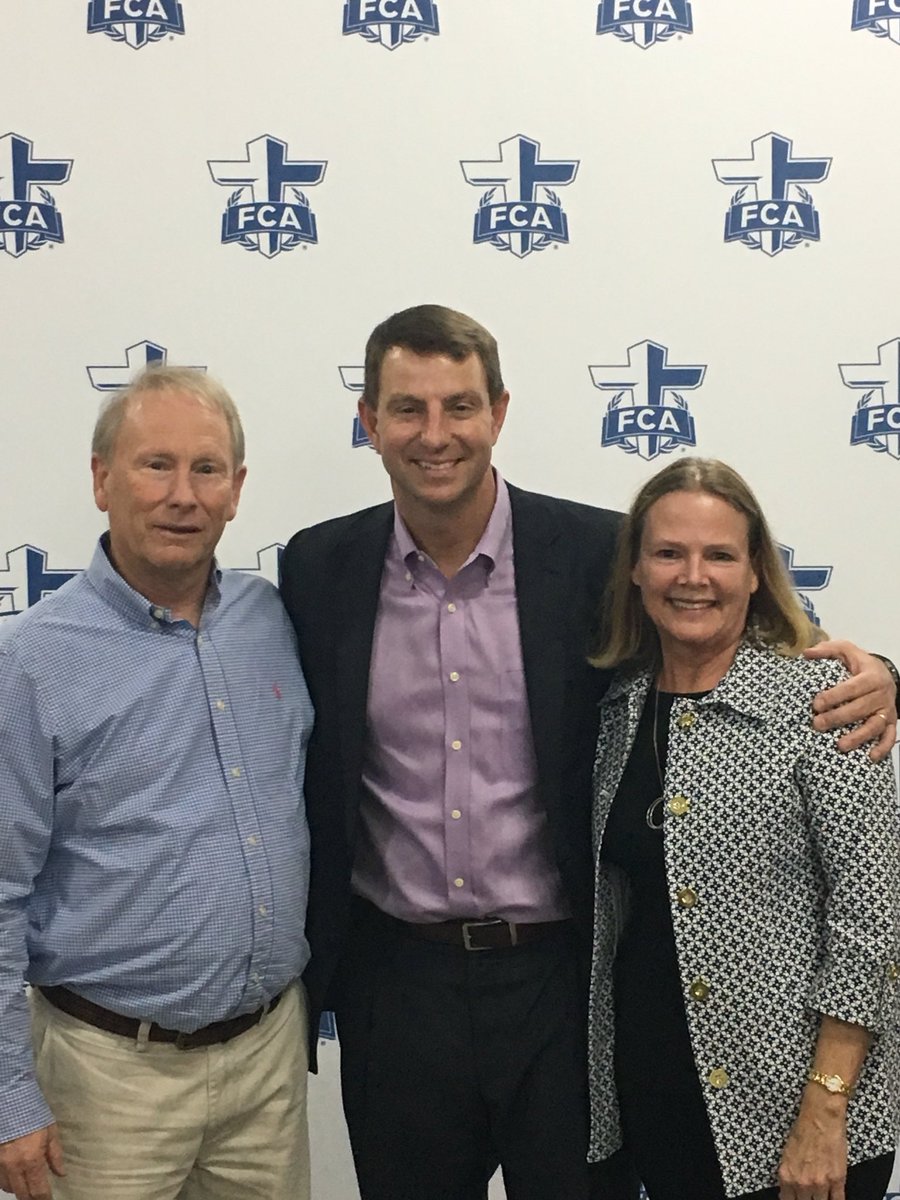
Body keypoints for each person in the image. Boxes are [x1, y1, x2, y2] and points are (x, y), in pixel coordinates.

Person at [279, 305, 897, 1200]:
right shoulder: (318, 567)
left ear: (499, 411)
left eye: (460, 406)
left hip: (563, 990)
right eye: (407, 409)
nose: (436, 435)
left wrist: (884, 674)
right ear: (369, 421)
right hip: (395, 988)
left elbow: (731, 635)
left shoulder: (594, 553)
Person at [0, 366, 314, 1200]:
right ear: (101, 479)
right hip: (107, 1081)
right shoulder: (33, 659)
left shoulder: (270, 621)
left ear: (237, 490)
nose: (184, 494)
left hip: (267, 1066)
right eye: (155, 465)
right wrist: (7, 1097)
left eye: (207, 469)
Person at [587, 457, 900, 1200]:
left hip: (799, 1115)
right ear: (636, 569)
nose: (693, 575)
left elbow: (873, 917)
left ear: (756, 570)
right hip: (658, 1093)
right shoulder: (617, 709)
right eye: (669, 553)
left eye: (719, 555)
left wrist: (826, 1110)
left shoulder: (823, 700)